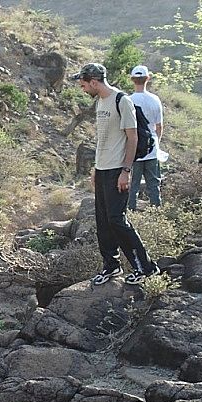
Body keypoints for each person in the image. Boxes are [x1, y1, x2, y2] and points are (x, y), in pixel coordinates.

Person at [72, 63, 160, 286]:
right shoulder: (100, 102)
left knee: (117, 220)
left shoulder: (123, 101)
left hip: (117, 170)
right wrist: (95, 168)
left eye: (83, 85)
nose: (83, 89)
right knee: (103, 221)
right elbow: (103, 139)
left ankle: (145, 267)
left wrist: (126, 171)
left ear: (94, 81)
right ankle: (111, 266)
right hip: (102, 170)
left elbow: (133, 138)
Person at [127, 65, 165, 210]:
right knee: (153, 185)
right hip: (152, 149)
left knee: (133, 185)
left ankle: (130, 213)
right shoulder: (155, 100)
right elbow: (159, 126)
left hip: (134, 151)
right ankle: (156, 213)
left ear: (132, 80)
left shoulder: (128, 100)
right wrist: (156, 143)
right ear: (147, 78)